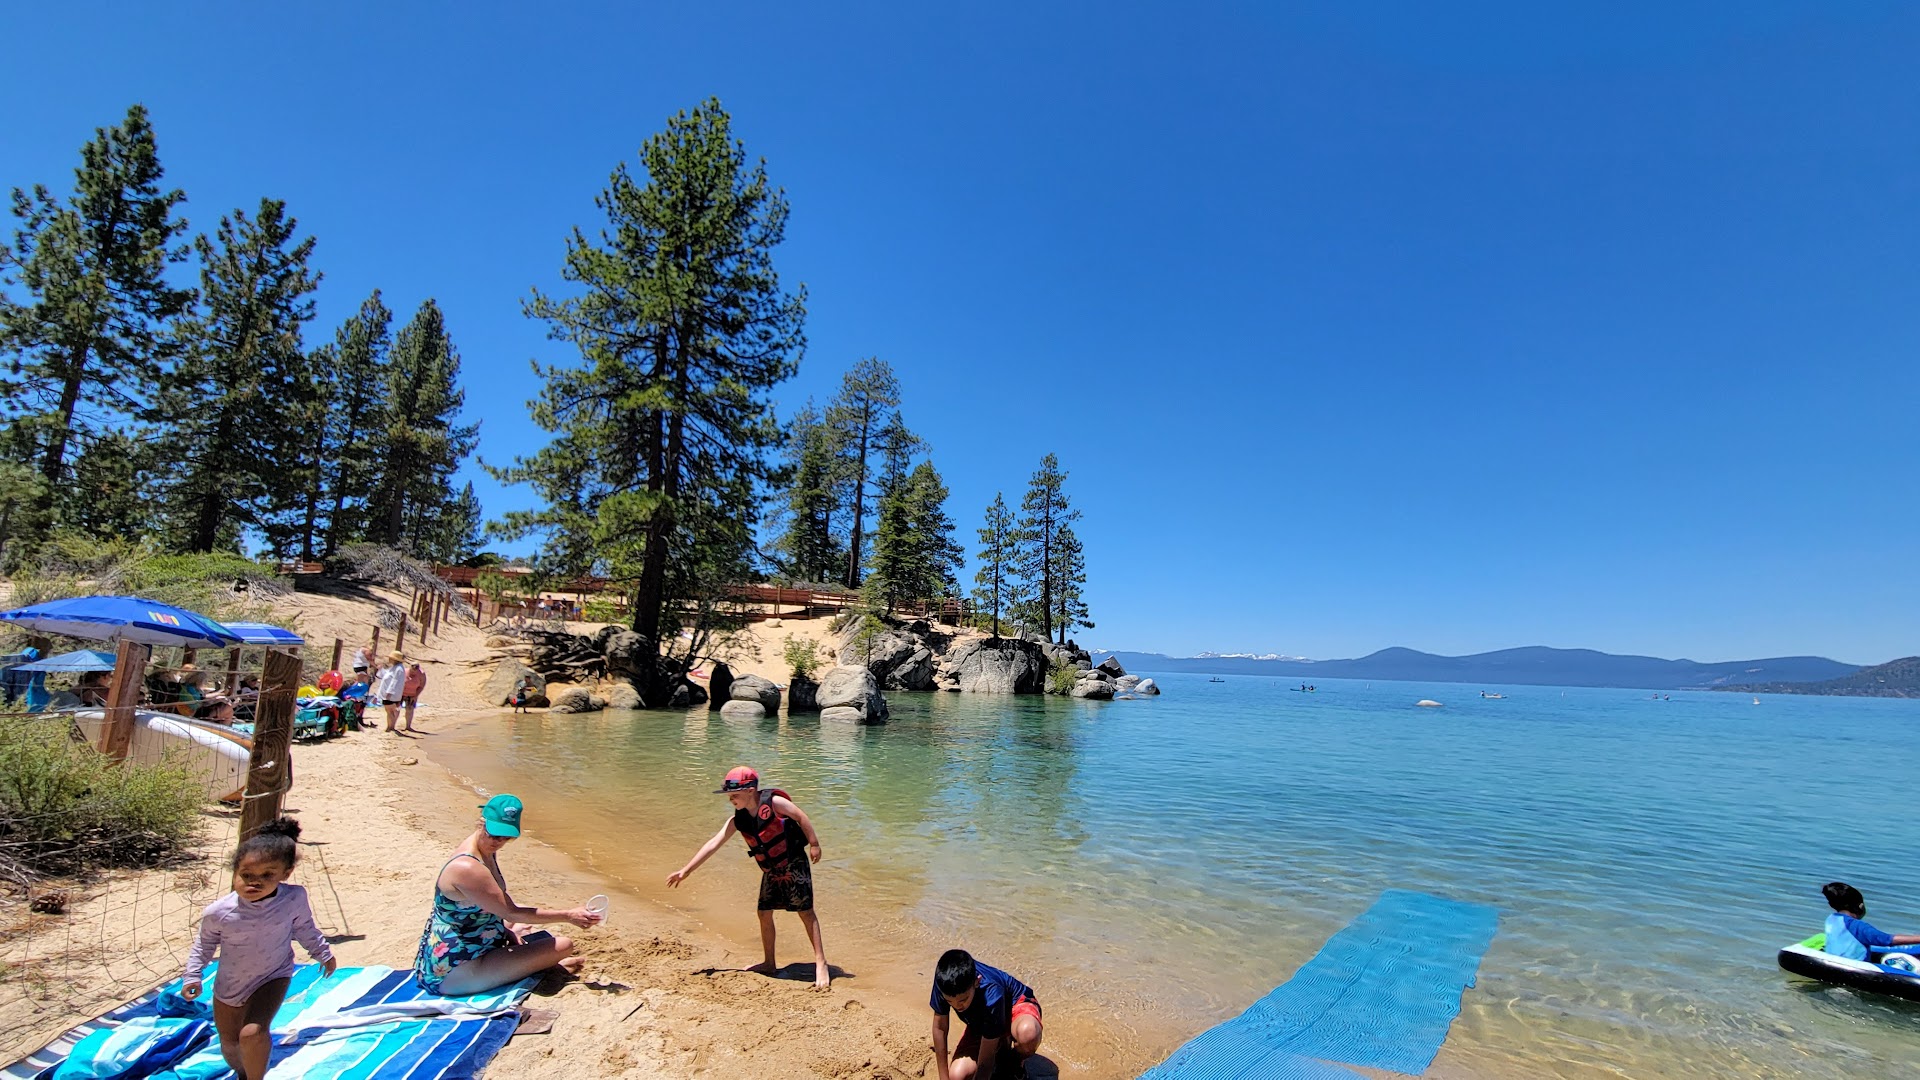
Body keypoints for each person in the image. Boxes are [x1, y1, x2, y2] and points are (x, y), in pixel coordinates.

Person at [182, 817, 335, 1080]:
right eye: (247, 875)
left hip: (273, 976)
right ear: (235, 872)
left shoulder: (293, 898)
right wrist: (192, 975)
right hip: (230, 983)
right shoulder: (219, 912)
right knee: (231, 1045)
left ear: (285, 874)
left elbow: (304, 928)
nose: (255, 883)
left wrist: (322, 952)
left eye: (267, 875)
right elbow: (203, 945)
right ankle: (244, 1073)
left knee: (252, 1033)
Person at [413, 794, 599, 996]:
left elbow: (494, 906)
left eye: (506, 837)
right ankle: (539, 969)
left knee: (522, 925)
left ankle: (522, 960)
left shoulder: (484, 849)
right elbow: (512, 913)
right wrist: (569, 916)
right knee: (563, 945)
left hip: (470, 940)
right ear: (481, 823)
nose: (499, 841)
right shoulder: (467, 866)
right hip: (454, 971)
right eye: (495, 835)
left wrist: (506, 931)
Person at [667, 766, 831, 989]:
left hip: (794, 863)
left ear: (751, 790)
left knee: (805, 912)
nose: (731, 800)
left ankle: (820, 962)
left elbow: (801, 817)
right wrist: (686, 870)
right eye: (729, 796)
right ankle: (769, 962)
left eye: (734, 795)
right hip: (771, 870)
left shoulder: (775, 803)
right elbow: (714, 843)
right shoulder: (738, 820)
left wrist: (814, 844)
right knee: (764, 913)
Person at [929, 949, 1043, 1080]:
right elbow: (940, 1028)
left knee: (1028, 1033)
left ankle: (1014, 1061)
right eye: (950, 1002)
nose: (957, 1006)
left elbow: (985, 1064)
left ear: (977, 982)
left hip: (1014, 1008)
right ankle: (1000, 1047)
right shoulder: (944, 982)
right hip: (982, 1020)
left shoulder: (992, 992)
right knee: (957, 1076)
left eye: (963, 1000)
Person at [1821, 882, 1920, 960]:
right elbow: (1886, 940)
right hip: (1855, 965)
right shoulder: (1856, 926)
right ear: (1861, 906)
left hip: (1834, 961)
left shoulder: (1831, 919)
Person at [375, 651, 407, 733]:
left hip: (391, 694)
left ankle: (390, 727)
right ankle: (390, 727)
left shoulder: (399, 669)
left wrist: (389, 692)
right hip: (388, 693)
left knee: (390, 710)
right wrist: (380, 669)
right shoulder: (394, 668)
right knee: (389, 711)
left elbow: (395, 681)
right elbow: (386, 675)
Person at [402, 662, 427, 732]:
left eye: (415, 671)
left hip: (412, 694)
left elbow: (421, 686)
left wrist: (416, 695)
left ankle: (408, 726)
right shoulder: (404, 671)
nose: (413, 672)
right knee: (396, 709)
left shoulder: (421, 674)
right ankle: (392, 726)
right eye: (412, 670)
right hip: (401, 693)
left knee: (410, 709)